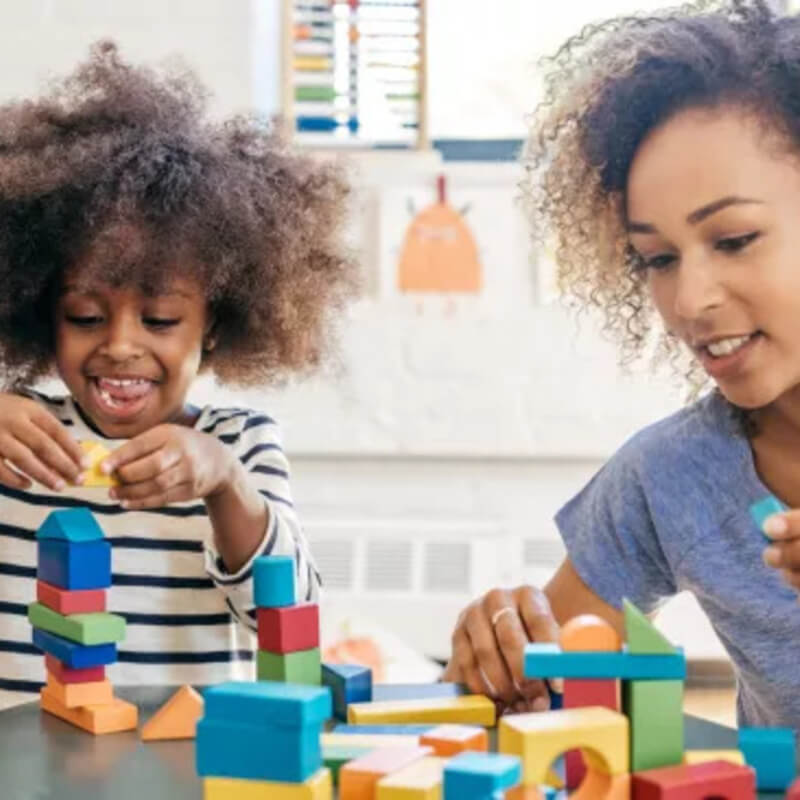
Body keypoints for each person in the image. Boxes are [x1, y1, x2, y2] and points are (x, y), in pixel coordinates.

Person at [443, 0, 800, 729]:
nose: (689, 300)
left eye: (733, 239)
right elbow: (535, 691)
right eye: (658, 259)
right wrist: (500, 652)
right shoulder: (672, 474)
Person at [0, 41, 356, 708]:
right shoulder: (17, 435)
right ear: (41, 313)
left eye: (160, 319)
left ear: (215, 325)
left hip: (185, 760)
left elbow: (289, 616)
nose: (120, 346)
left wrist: (224, 482)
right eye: (83, 315)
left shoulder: (240, 445)